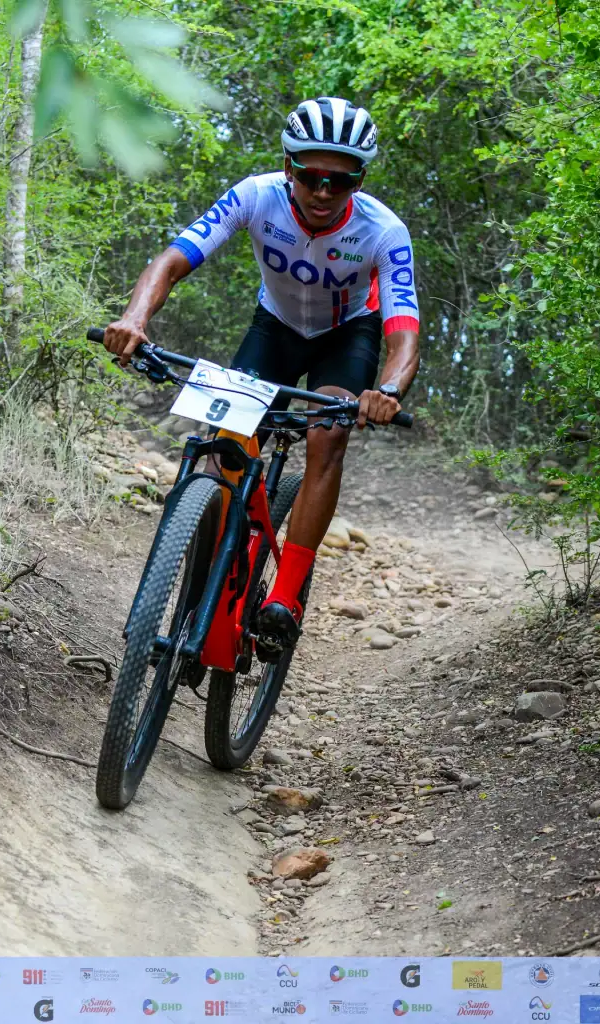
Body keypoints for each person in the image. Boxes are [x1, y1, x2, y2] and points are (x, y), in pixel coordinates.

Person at [103, 96, 420, 655]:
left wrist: (389, 389)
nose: (323, 192)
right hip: (273, 328)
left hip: (347, 336)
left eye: (341, 182)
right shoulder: (256, 195)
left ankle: (285, 596)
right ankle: (211, 575)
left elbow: (401, 332)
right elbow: (173, 260)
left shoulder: (383, 231)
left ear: (360, 181)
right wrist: (134, 319)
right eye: (311, 176)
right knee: (228, 444)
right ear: (288, 165)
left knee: (328, 435)